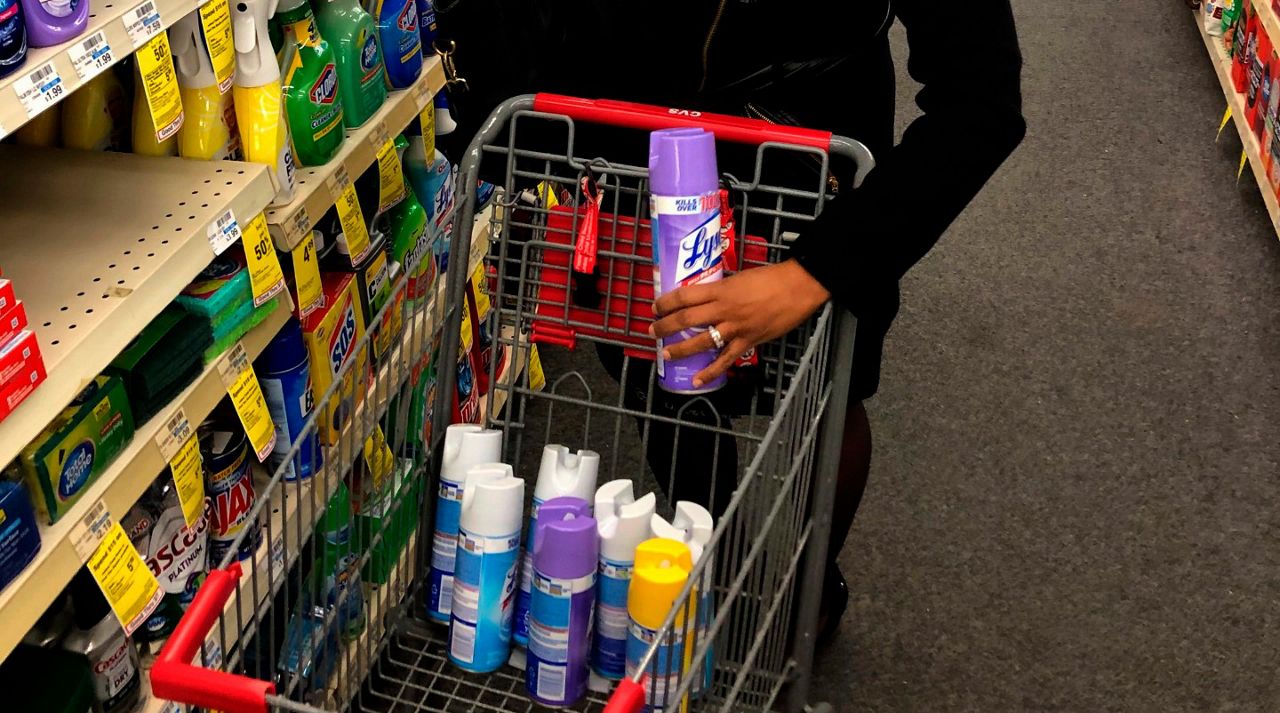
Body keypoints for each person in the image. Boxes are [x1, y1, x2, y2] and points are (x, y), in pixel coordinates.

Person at [440, 0, 1026, 641]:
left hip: (806, 168)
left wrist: (812, 272)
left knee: (826, 389)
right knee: (660, 369)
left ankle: (806, 595)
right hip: (634, 154)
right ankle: (724, 567)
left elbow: (981, 99)